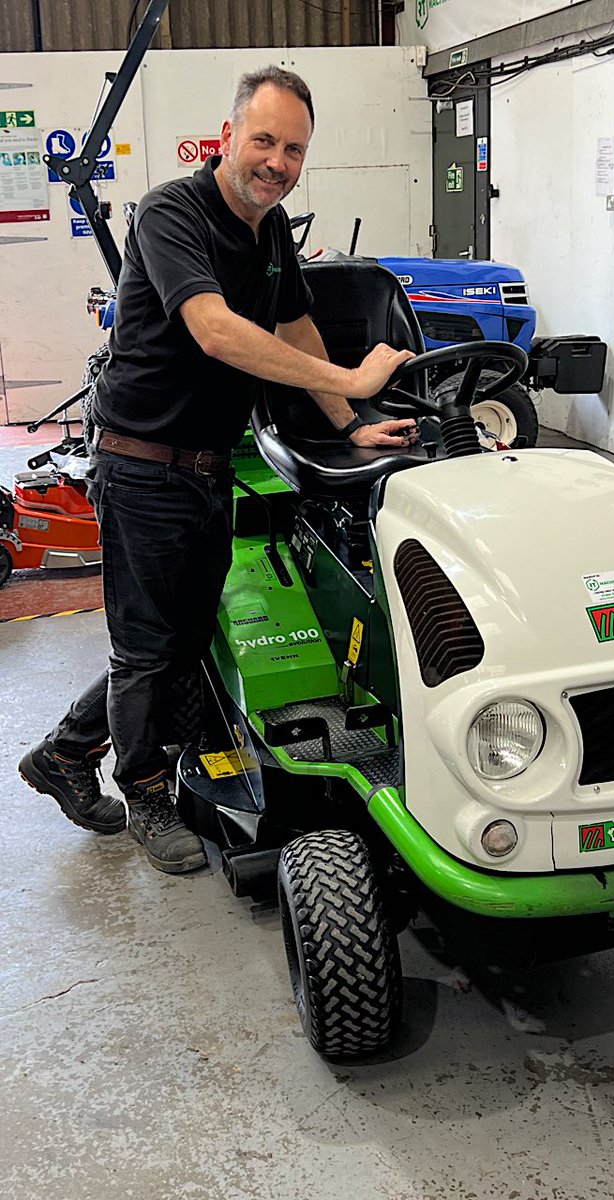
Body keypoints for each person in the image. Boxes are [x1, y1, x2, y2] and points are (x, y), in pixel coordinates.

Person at [18, 66, 418, 874]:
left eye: (295, 149)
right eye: (264, 140)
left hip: (205, 465)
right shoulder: (173, 212)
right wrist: (355, 380)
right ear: (227, 136)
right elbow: (215, 330)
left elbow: (297, 326)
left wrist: (353, 425)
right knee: (145, 647)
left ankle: (63, 753)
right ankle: (145, 795)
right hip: (141, 461)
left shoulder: (270, 230)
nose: (277, 161)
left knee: (187, 636)